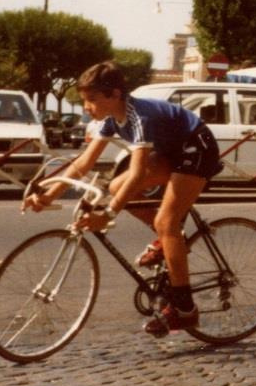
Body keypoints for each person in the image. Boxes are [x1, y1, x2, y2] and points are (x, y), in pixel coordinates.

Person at [23, 59, 224, 336]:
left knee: (166, 221)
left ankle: (185, 310)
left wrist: (107, 215)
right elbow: (83, 162)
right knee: (118, 187)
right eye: (84, 100)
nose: (86, 107)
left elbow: (138, 173)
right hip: (172, 151)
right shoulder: (110, 120)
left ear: (115, 94)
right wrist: (48, 195)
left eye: (92, 100)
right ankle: (169, 240)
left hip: (197, 149)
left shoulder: (139, 117)